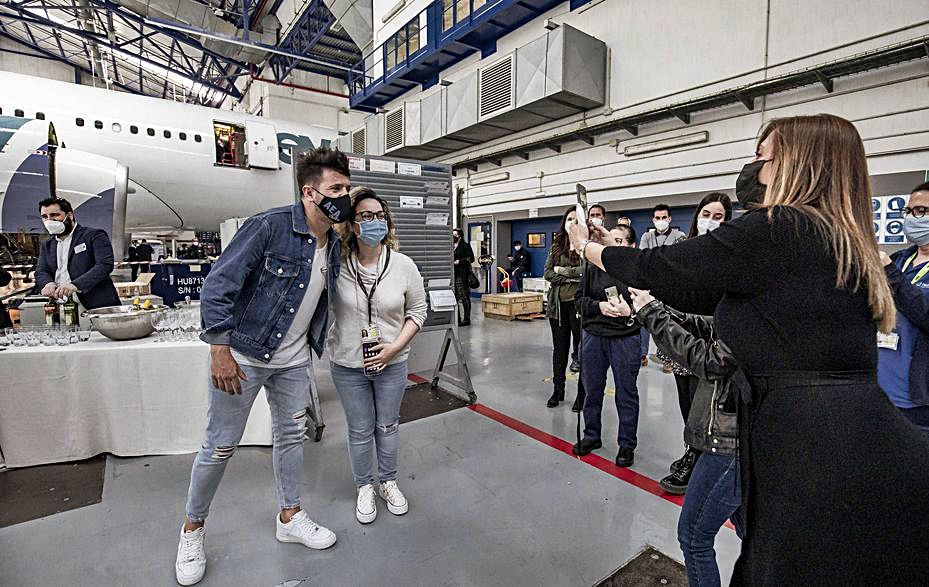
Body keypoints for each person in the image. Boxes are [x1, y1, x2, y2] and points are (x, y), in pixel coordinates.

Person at [569, 114, 929, 583]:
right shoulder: (839, 237)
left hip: (807, 437)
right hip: (845, 431)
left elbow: (670, 268)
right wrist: (623, 261)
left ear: (797, 164)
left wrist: (589, 250)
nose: (755, 171)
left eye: (763, 159)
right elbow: (698, 290)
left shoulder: (781, 227)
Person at [175, 148, 351, 586]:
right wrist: (219, 348)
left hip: (293, 361)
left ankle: (289, 516)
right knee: (219, 446)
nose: (344, 196)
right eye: (336, 189)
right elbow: (218, 283)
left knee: (290, 437)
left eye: (347, 188)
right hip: (244, 356)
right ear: (309, 192)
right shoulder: (269, 227)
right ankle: (192, 529)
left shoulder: (332, 244)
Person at [630, 287, 745, 586]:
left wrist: (652, 313)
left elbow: (710, 360)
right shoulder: (753, 298)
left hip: (730, 443)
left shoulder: (760, 303)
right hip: (737, 434)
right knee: (750, 532)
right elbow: (708, 325)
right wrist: (656, 309)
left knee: (693, 537)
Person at [328, 187, 427, 525]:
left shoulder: (403, 265)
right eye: (366, 216)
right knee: (359, 429)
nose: (374, 222)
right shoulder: (336, 265)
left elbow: (418, 312)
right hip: (348, 363)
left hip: (392, 362)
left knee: (387, 425)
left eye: (380, 216)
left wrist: (394, 347)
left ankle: (387, 481)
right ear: (352, 225)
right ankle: (364, 486)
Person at [661, 192, 734, 495]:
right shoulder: (682, 249)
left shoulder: (731, 254)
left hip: (713, 342)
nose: (710, 221)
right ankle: (691, 450)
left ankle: (698, 457)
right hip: (682, 335)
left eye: (719, 217)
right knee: (685, 401)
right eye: (706, 214)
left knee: (704, 403)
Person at [572, 224, 641, 468]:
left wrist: (629, 310)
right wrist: (598, 307)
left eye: (620, 241)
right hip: (594, 336)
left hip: (625, 338)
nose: (614, 245)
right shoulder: (592, 267)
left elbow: (645, 304)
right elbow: (579, 300)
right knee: (592, 390)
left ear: (631, 246)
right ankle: (592, 435)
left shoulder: (635, 270)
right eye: (612, 240)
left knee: (626, 393)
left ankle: (626, 444)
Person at [878, 182, 929, 437]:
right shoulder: (900, 259)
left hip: (918, 403)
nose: (911, 218)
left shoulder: (893, 267)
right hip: (879, 391)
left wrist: (890, 274)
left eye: (921, 211)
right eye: (908, 212)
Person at [35, 197, 120, 310]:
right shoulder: (47, 244)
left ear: (69, 215)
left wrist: (76, 285)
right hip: (61, 305)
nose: (49, 220)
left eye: (54, 215)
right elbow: (41, 270)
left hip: (95, 304)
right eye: (45, 217)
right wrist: (48, 284)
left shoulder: (94, 235)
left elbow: (104, 265)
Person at [543, 207, 585, 409]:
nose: (572, 223)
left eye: (576, 220)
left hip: (578, 306)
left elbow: (586, 272)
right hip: (557, 307)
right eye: (569, 219)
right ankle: (557, 390)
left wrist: (565, 272)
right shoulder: (556, 246)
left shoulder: (587, 246)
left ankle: (581, 395)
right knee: (559, 350)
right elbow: (548, 274)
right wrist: (571, 276)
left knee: (581, 352)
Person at [639, 204, 687, 374]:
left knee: (669, 322)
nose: (660, 221)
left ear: (669, 219)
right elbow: (642, 259)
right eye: (657, 218)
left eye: (663, 218)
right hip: (649, 287)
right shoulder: (647, 236)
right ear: (653, 220)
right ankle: (642, 354)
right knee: (645, 320)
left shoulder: (680, 236)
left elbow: (679, 261)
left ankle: (669, 359)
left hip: (671, 288)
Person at [452, 227, 475, 326]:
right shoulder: (450, 246)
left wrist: (460, 261)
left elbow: (472, 258)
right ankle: (457, 318)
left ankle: (467, 319)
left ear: (460, 236)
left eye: (456, 235)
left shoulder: (465, 246)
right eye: (453, 235)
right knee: (455, 297)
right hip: (453, 274)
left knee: (464, 296)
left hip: (462, 274)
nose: (454, 237)